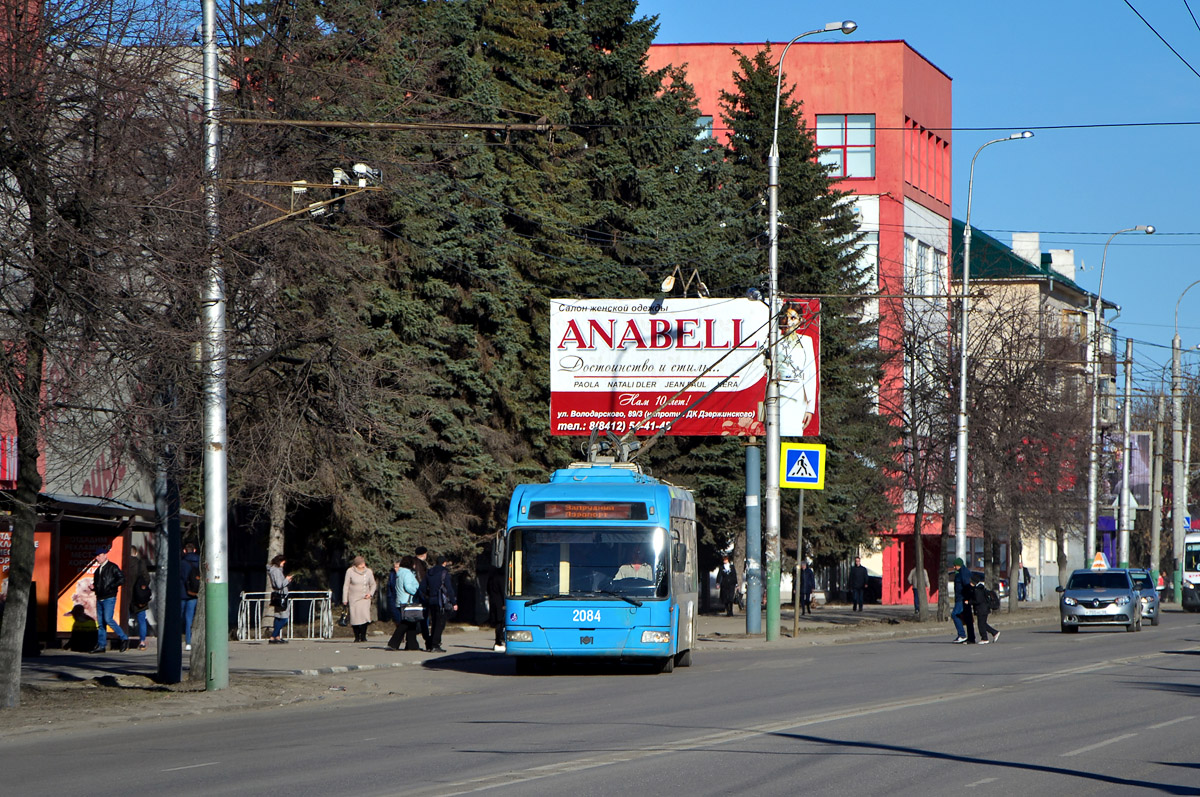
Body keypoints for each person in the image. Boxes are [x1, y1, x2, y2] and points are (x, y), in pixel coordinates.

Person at [778, 303, 818, 436]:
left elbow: (811, 373)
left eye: (793, 318)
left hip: (800, 396)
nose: (789, 322)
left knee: (795, 433)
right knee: (779, 434)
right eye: (786, 317)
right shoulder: (775, 341)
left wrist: (810, 408)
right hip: (780, 394)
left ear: (800, 320)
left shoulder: (806, 341)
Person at [90, 546, 128, 653]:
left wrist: (112, 586)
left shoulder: (112, 567)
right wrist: (95, 587)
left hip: (109, 597)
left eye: (99, 556)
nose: (97, 558)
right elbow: (100, 584)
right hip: (100, 598)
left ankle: (124, 638)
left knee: (108, 619)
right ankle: (101, 645)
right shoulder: (98, 571)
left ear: (104, 555)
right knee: (101, 623)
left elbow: (122, 579)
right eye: (96, 556)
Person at [420, 555, 457, 653]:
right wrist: (454, 602)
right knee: (440, 624)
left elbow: (422, 587)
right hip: (441, 602)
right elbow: (449, 589)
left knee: (434, 622)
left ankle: (431, 644)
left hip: (431, 600)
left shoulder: (429, 572)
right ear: (444, 563)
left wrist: (428, 595)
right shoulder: (444, 573)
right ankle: (435, 644)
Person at [387, 556, 422, 651]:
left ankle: (412, 645)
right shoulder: (407, 573)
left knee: (411, 624)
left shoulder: (400, 573)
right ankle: (393, 643)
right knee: (406, 623)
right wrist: (418, 591)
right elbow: (408, 587)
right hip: (407, 601)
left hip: (400, 600)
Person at [342, 555, 377, 643]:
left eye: (363, 563)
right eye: (361, 563)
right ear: (356, 564)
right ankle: (357, 636)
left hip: (365, 598)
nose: (363, 565)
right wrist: (345, 599)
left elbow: (373, 584)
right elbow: (346, 585)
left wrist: (370, 594)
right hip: (354, 598)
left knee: (365, 617)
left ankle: (363, 636)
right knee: (355, 617)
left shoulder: (368, 572)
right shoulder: (350, 571)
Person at [126, 546, 152, 650]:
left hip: (127, 596)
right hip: (139, 596)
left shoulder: (124, 564)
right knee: (141, 619)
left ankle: (125, 641)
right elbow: (147, 578)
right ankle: (142, 642)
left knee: (125, 619)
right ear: (135, 553)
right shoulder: (141, 564)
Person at [950, 558, 976, 644]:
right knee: (964, 617)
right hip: (960, 598)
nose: (954, 567)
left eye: (955, 565)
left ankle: (962, 635)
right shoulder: (961, 572)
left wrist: (967, 597)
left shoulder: (963, 573)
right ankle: (967, 636)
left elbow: (966, 585)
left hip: (961, 598)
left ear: (959, 565)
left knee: (955, 614)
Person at [181, 542, 201, 652]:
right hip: (194, 593)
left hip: (183, 593)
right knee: (190, 618)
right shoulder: (199, 561)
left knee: (180, 617)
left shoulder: (181, 563)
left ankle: (177, 639)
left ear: (184, 551)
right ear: (194, 550)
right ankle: (189, 642)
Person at [267, 555, 291, 644]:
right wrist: (287, 580)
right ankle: (273, 636)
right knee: (284, 618)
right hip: (281, 595)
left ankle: (276, 636)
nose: (283, 565)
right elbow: (279, 584)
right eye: (283, 563)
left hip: (277, 595)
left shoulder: (272, 570)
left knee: (278, 616)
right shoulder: (276, 571)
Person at [413, 546, 431, 649]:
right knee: (424, 618)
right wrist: (425, 592)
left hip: (417, 594)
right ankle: (427, 641)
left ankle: (411, 641)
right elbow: (421, 579)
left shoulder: (413, 562)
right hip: (420, 594)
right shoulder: (420, 564)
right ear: (424, 554)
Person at [972, 575, 999, 644]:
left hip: (982, 609)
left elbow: (978, 600)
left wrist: (969, 602)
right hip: (984, 608)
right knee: (983, 623)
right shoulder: (981, 588)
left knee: (981, 624)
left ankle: (984, 638)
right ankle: (994, 632)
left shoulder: (977, 590)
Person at [485, 564, 506, 652]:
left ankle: (498, 640)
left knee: (498, 622)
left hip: (493, 602)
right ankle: (499, 640)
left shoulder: (491, 578)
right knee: (500, 622)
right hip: (500, 603)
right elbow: (502, 591)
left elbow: (488, 590)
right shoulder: (501, 578)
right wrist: (504, 603)